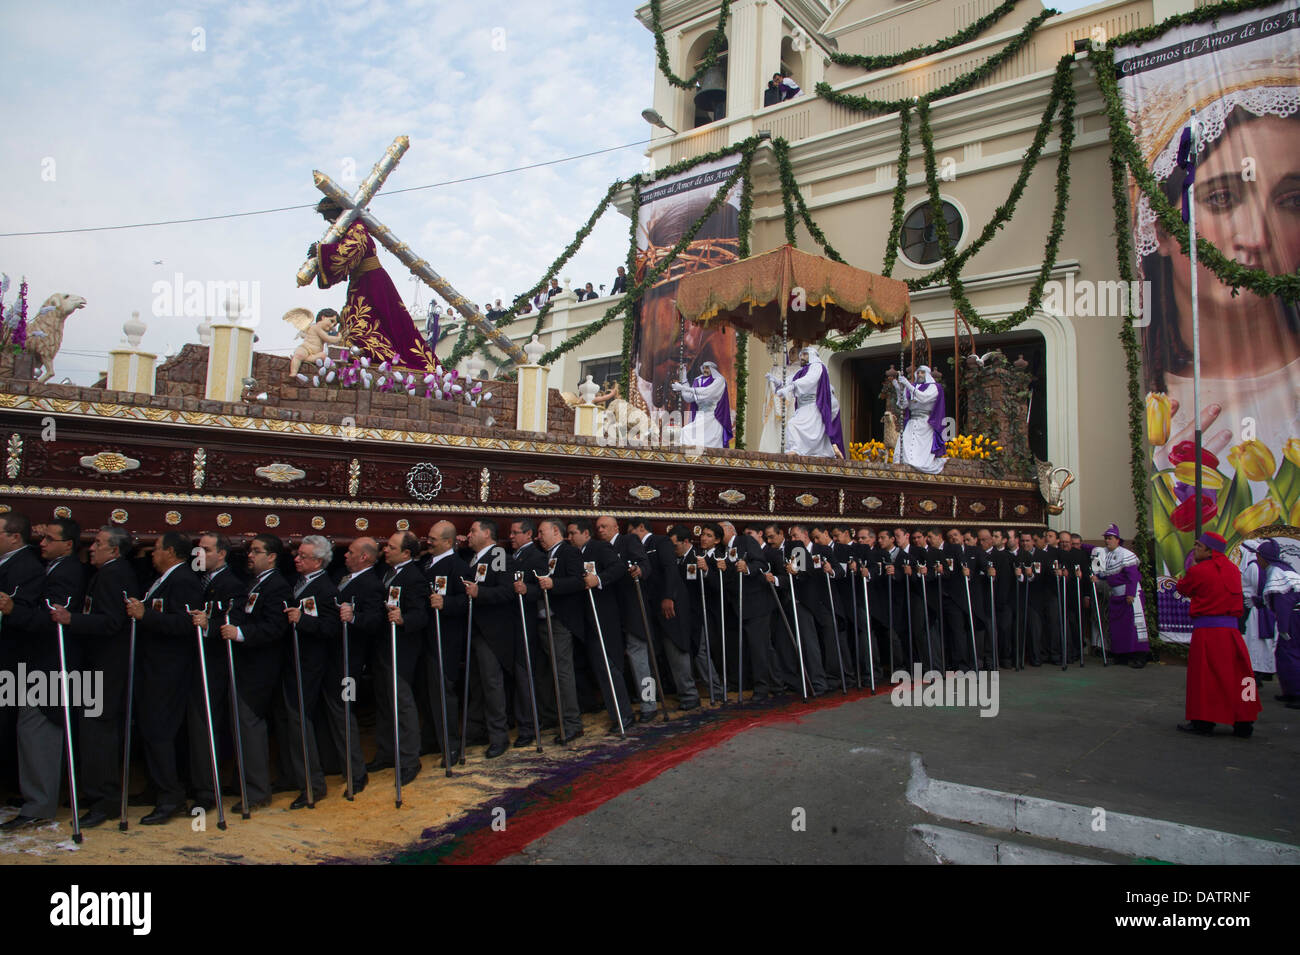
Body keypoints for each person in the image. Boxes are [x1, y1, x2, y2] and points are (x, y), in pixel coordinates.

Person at [0, 518, 86, 831]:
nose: (43, 543)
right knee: (30, 731)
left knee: (39, 733)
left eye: (50, 539)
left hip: (52, 664)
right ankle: (34, 796)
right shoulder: (52, 567)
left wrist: (13, 611)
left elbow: (51, 619)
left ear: (68, 544)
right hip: (40, 661)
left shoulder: (68, 571)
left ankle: (39, 805)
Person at [51, 526, 139, 829]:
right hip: (98, 663)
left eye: (99, 544)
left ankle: (105, 800)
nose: (92, 548)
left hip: (107, 665)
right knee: (91, 731)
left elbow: (112, 621)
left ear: (114, 550)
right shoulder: (107, 572)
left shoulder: (115, 574)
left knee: (99, 733)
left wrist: (71, 619)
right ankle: (94, 792)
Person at [309, 197, 439, 372]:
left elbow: (351, 251)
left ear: (338, 211)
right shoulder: (345, 230)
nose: (326, 220)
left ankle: (374, 357)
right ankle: (356, 357)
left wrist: (321, 251)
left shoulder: (357, 227)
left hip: (372, 283)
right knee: (354, 320)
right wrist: (321, 254)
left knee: (365, 323)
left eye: (328, 214)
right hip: (361, 282)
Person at [126, 531, 200, 824]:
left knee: (161, 732)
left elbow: (185, 624)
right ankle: (157, 787)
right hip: (153, 667)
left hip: (169, 670)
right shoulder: (165, 577)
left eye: (155, 549)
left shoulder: (184, 580)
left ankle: (171, 797)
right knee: (151, 730)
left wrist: (146, 616)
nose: (151, 554)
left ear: (170, 551)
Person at [1175, 531, 1261, 736]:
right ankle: (1245, 719)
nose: (1195, 549)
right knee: (1241, 676)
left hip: (1207, 631)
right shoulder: (1233, 569)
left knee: (1203, 677)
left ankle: (1203, 720)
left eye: (1198, 546)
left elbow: (1183, 588)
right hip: (1231, 632)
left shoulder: (1200, 571)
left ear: (1209, 549)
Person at [281, 535, 341, 807]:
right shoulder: (301, 583)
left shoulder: (325, 589)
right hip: (294, 661)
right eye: (297, 554)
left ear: (318, 561)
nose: (296, 558)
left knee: (300, 723)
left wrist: (302, 620)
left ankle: (312, 786)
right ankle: (297, 777)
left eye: (303, 556)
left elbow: (331, 628)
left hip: (310, 664)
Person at [1091, 524, 1149, 668]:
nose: (1107, 541)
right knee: (1119, 627)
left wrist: (1130, 594)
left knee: (1134, 627)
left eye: (1110, 538)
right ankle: (1122, 655)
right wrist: (1097, 578)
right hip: (1116, 596)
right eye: (1106, 538)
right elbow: (1106, 574)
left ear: (1117, 540)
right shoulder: (1105, 554)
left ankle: (1140, 656)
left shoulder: (1125, 554)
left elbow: (1133, 576)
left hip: (1129, 596)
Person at [777, 346, 844, 458]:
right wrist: (778, 382)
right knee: (793, 425)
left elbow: (809, 380)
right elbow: (791, 379)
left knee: (795, 425)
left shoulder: (817, 366)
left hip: (813, 407)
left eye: (804, 355)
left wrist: (791, 387)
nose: (801, 357)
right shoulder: (803, 370)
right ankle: (797, 449)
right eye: (801, 355)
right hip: (803, 407)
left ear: (811, 355)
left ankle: (798, 449)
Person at [1256, 539, 1300, 709]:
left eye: (1257, 556)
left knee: (1290, 653)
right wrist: (1259, 601)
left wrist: (1283, 627)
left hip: (1293, 617)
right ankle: (1290, 691)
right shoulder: (1284, 569)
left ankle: (1296, 694)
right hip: (1294, 615)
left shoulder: (1275, 572)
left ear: (1262, 557)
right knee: (1286, 653)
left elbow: (1283, 600)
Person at [892, 367, 946, 473]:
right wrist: (898, 389)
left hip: (925, 424)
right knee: (902, 447)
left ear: (928, 374)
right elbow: (903, 405)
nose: (920, 374)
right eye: (918, 372)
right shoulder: (912, 387)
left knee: (922, 455)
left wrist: (907, 384)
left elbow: (924, 397)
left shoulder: (934, 387)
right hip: (912, 422)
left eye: (922, 372)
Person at [672, 359, 732, 450]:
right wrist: (684, 379)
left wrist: (683, 388)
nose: (705, 370)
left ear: (713, 369)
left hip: (713, 418)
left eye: (707, 368)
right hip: (700, 417)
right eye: (704, 368)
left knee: (712, 446)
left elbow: (707, 393)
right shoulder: (698, 380)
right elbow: (689, 397)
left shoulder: (719, 380)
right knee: (685, 433)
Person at [289, 308, 342, 376]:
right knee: (299, 355)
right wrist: (338, 338)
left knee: (323, 355)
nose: (332, 326)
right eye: (331, 321)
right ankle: (293, 372)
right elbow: (328, 338)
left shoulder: (324, 332)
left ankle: (306, 360)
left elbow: (329, 342)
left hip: (314, 354)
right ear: (323, 317)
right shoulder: (316, 327)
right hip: (306, 349)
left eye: (334, 325)